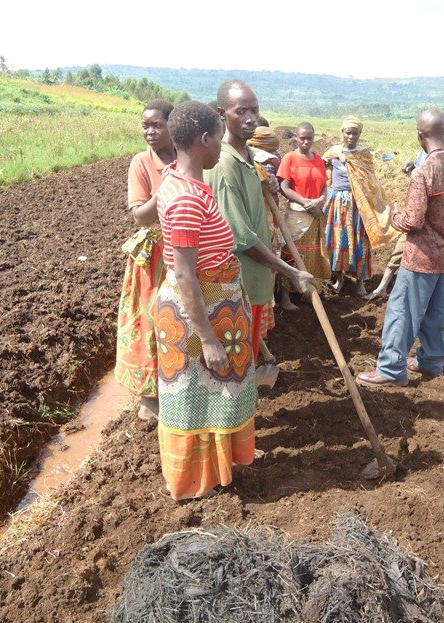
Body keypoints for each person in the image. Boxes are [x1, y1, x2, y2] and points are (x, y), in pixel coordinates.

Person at [153, 100, 256, 501]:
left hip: (216, 306)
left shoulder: (185, 183)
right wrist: (209, 338)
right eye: (219, 138)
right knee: (195, 399)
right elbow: (184, 273)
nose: (222, 146)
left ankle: (219, 469)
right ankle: (195, 484)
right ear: (205, 139)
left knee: (214, 394)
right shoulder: (185, 198)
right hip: (200, 313)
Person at [356, 109, 444, 388]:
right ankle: (431, 362)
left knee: (402, 312)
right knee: (435, 312)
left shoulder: (423, 172)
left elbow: (413, 221)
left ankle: (391, 369)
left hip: (420, 258)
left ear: (420, 135)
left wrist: (395, 215)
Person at [205, 79, 315, 363]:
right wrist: (290, 272)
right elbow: (239, 236)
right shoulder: (224, 164)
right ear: (221, 114)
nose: (250, 118)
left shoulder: (248, 157)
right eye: (241, 111)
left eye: (254, 110)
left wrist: (265, 184)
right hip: (235, 284)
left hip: (254, 278)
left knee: (248, 356)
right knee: (237, 363)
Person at [114, 99, 176, 421]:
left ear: (172, 126)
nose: (149, 132)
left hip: (186, 248)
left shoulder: (187, 157)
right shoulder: (141, 162)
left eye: (157, 125)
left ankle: (180, 385)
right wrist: (167, 185)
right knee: (151, 319)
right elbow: (140, 216)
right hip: (155, 255)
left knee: (182, 317)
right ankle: (150, 395)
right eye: (145, 126)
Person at [366, 113, 444, 301]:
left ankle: (387, 290)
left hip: (425, 230)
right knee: (400, 255)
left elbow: (416, 216)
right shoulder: (430, 154)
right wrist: (411, 169)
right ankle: (383, 287)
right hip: (428, 225)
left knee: (406, 304)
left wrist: (395, 217)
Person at [276, 121, 331, 310]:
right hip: (297, 214)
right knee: (291, 252)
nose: (306, 142)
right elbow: (284, 188)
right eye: (303, 138)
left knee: (312, 253)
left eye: (309, 138)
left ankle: (309, 291)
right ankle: (285, 296)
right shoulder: (289, 158)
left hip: (315, 213)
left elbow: (324, 185)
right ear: (296, 138)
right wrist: (305, 202)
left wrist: (320, 200)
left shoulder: (318, 159)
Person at [322, 116, 373, 296]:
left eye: (355, 133)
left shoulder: (363, 155)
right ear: (342, 132)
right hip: (337, 202)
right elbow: (321, 165)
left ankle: (360, 281)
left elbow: (370, 181)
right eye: (348, 133)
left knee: (360, 240)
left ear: (360, 134)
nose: (351, 137)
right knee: (337, 239)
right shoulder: (334, 151)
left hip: (358, 203)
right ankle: (339, 278)